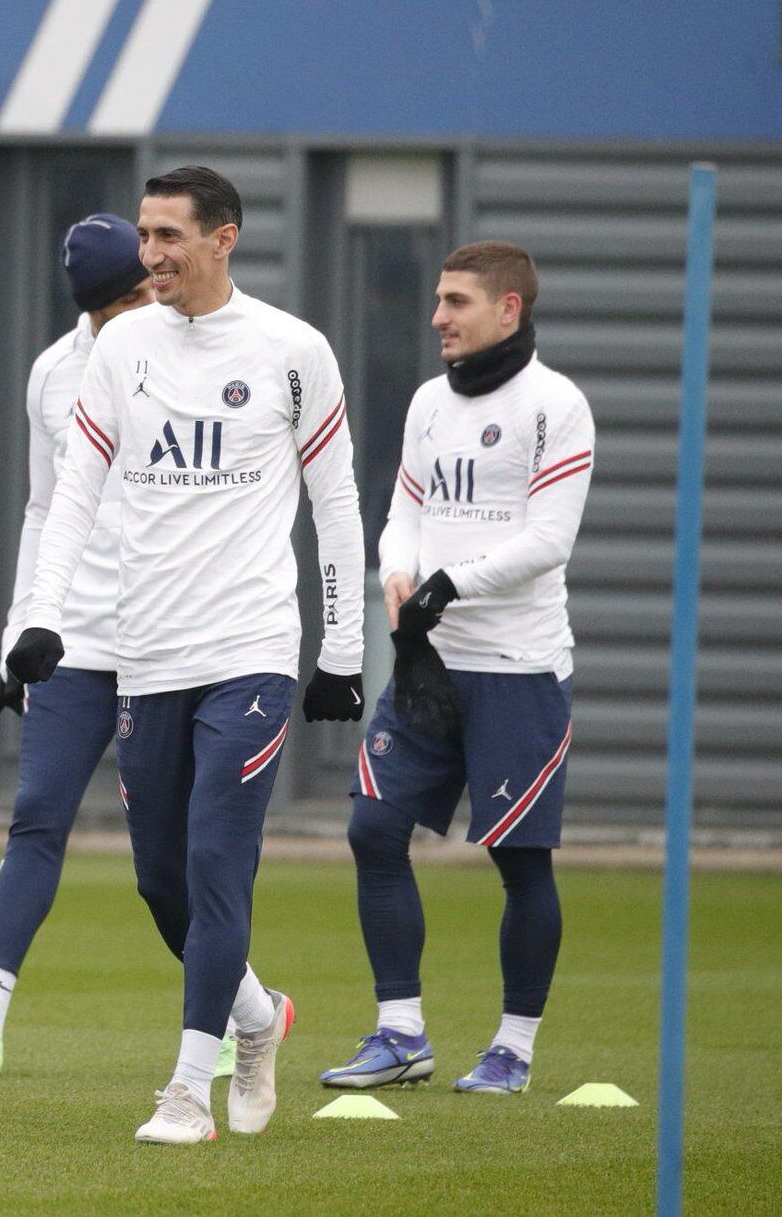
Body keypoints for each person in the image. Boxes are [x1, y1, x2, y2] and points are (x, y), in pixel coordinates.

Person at [7, 165, 366, 1144]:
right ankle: (257, 1017)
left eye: (169, 236)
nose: (151, 255)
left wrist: (341, 651)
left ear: (223, 238)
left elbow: (336, 503)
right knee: (161, 884)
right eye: (144, 235)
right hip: (145, 653)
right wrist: (42, 617)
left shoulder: (292, 350)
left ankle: (183, 1092)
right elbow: (73, 493)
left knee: (214, 862)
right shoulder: (120, 347)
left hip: (249, 649)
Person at [321, 241, 593, 1097]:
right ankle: (400, 1034)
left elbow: (549, 540)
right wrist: (398, 572)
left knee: (520, 861)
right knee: (372, 830)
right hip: (429, 665)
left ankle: (513, 1048)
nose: (437, 316)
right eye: (439, 299)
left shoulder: (557, 405)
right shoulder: (429, 402)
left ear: (509, 309)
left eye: (457, 301)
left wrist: (448, 585)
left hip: (518, 667)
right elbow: (404, 508)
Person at [0, 214, 160, 1077]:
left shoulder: (190, 356)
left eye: (149, 287)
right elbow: (43, 509)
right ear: (96, 305)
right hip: (75, 637)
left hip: (170, 638)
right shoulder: (53, 372)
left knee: (168, 854)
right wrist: (20, 633)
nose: (149, 303)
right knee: (36, 818)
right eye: (130, 296)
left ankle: (245, 1009)